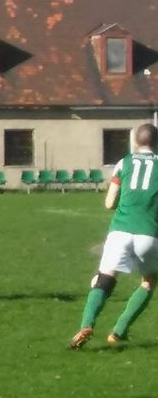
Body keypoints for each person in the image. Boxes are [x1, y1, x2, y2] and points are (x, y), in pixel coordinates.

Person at [70, 123, 158, 349]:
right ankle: (118, 332)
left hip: (119, 231)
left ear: (136, 142)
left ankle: (86, 325)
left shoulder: (124, 163)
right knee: (149, 282)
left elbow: (109, 203)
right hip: (149, 233)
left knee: (105, 279)